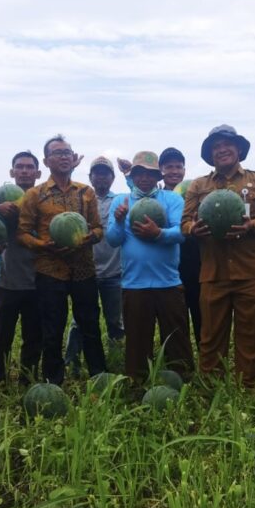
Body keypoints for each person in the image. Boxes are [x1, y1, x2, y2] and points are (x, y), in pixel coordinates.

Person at [181, 125, 255, 387]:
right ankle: (210, 389)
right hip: (213, 273)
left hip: (251, 272)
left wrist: (252, 226)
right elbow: (185, 223)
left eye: (227, 144)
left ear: (238, 149)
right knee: (211, 335)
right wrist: (195, 229)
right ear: (210, 154)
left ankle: (247, 389)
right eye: (215, 146)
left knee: (251, 335)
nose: (221, 149)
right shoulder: (198, 185)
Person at [17, 135, 106, 385]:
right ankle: (52, 382)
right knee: (52, 329)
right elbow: (22, 232)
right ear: (46, 161)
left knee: (90, 324)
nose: (64, 156)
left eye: (67, 152)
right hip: (49, 270)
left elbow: (99, 229)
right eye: (58, 153)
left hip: (84, 270)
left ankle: (99, 377)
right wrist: (43, 245)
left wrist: (88, 238)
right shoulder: (35, 195)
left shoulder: (86, 192)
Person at [106, 151, 193, 381]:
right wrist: (117, 220)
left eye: (150, 173)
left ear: (158, 175)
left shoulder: (172, 199)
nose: (144, 178)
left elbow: (182, 232)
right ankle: (137, 382)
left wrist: (158, 234)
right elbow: (113, 239)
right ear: (132, 175)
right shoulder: (120, 201)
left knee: (176, 337)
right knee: (137, 340)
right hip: (134, 285)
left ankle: (181, 380)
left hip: (169, 283)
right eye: (139, 173)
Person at [65, 156, 124, 376]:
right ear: (90, 177)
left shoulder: (119, 201)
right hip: (85, 272)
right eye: (97, 173)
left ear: (112, 177)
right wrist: (68, 171)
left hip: (114, 272)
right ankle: (72, 362)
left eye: (105, 173)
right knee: (79, 321)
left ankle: (116, 360)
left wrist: (130, 176)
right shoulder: (82, 200)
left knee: (115, 322)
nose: (101, 176)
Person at [0, 151, 43, 385]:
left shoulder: (43, 199)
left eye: (29, 167)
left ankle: (27, 379)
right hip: (6, 280)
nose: (24, 171)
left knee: (33, 336)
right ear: (12, 172)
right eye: (19, 167)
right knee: (3, 336)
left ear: (37, 173)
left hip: (37, 280)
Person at [159, 147, 202, 347]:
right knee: (175, 320)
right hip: (169, 268)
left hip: (197, 264)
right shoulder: (157, 198)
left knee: (202, 316)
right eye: (169, 167)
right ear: (161, 170)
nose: (175, 171)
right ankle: (180, 364)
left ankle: (207, 362)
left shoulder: (195, 194)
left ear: (184, 170)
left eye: (179, 167)